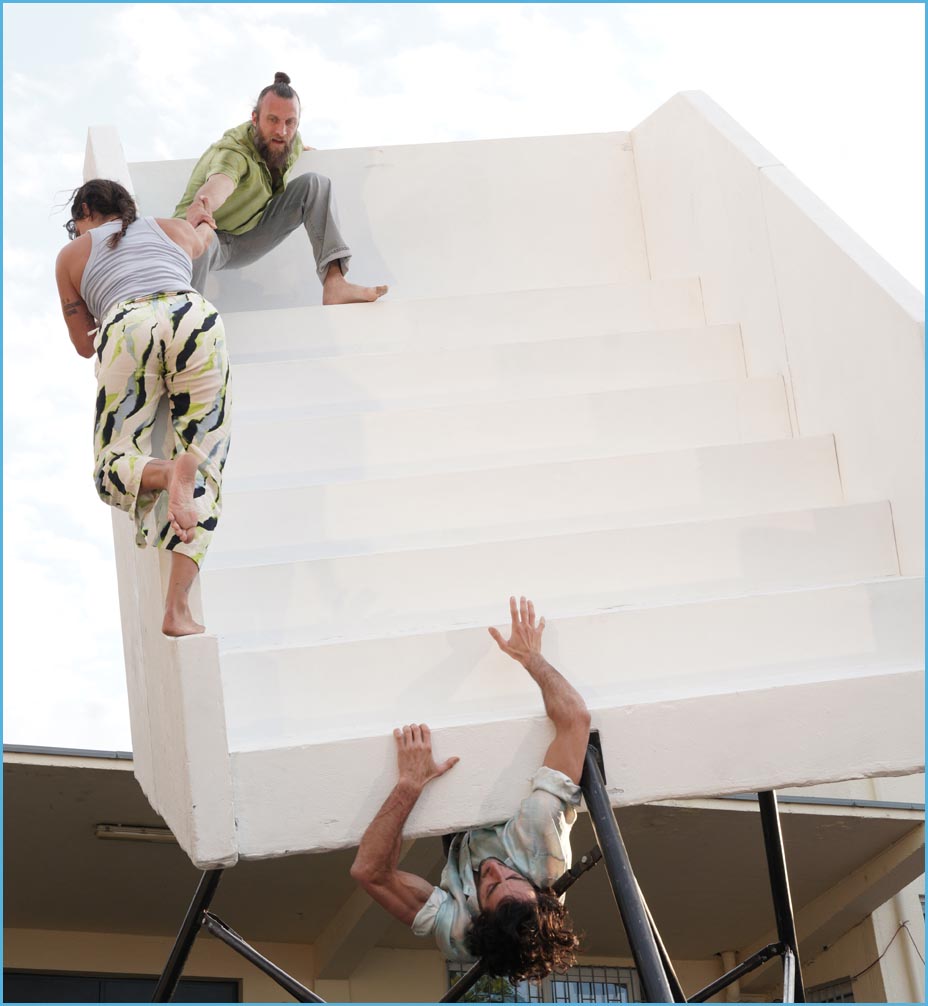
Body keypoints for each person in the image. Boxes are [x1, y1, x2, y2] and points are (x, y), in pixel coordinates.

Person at [351, 596, 591, 981]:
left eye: (491, 887)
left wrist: (409, 785)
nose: (495, 870)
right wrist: (530, 657)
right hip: (512, 820)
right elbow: (575, 720)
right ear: (538, 889)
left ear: (479, 916)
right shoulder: (542, 838)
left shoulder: (461, 931)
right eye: (514, 878)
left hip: (460, 838)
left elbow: (370, 872)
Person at [55, 178, 230, 637]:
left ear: (85, 210)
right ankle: (177, 609)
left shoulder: (71, 255)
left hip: (128, 321)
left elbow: (82, 344)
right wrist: (201, 221)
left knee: (111, 465)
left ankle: (166, 473)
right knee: (206, 463)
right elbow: (202, 239)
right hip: (194, 316)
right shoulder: (173, 229)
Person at [174, 71, 388, 305]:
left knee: (316, 184)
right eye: (273, 120)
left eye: (289, 122)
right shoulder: (234, 151)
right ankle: (183, 315)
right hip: (205, 238)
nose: (281, 131)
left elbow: (292, 143)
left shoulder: (290, 142)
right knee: (199, 240)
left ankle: (335, 283)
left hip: (246, 238)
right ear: (255, 119)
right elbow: (221, 181)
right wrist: (203, 204)